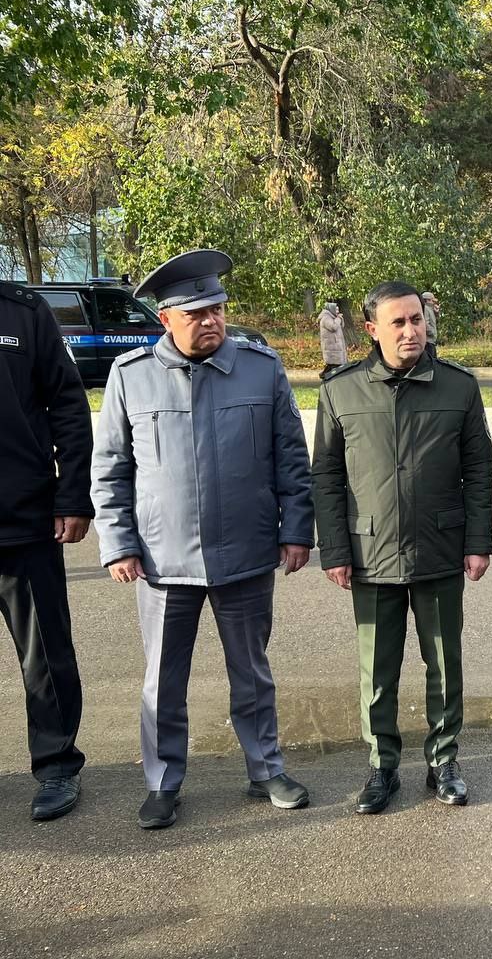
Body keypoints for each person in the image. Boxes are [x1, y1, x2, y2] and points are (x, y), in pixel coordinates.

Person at [91, 249, 315, 830]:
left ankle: (266, 769)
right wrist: (118, 542)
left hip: (246, 551)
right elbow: (110, 468)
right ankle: (163, 782)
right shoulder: (131, 376)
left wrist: (296, 530)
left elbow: (292, 459)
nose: (211, 320)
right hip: (163, 559)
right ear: (166, 318)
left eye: (217, 309)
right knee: (163, 680)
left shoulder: (261, 369)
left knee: (253, 672)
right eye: (196, 314)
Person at [312, 281, 492, 814]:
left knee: (444, 664)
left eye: (416, 319)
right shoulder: (341, 391)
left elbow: (479, 469)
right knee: (377, 671)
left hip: (440, 548)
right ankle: (382, 767)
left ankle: (444, 762)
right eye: (398, 322)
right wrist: (335, 550)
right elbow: (325, 476)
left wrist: (478, 541)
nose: (411, 331)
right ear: (373, 330)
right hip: (370, 553)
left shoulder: (458, 387)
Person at [0, 279, 93, 821]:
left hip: (24, 519)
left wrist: (73, 496)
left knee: (45, 657)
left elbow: (68, 406)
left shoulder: (24, 312)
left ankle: (57, 765)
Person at [318, 301, 347, 377]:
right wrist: (338, 318)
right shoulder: (325, 318)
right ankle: (326, 375)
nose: (337, 311)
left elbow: (341, 326)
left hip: (335, 346)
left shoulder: (332, 317)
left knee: (334, 364)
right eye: (336, 310)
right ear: (331, 309)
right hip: (331, 347)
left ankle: (326, 375)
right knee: (334, 364)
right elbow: (333, 327)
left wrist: (339, 319)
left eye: (338, 310)